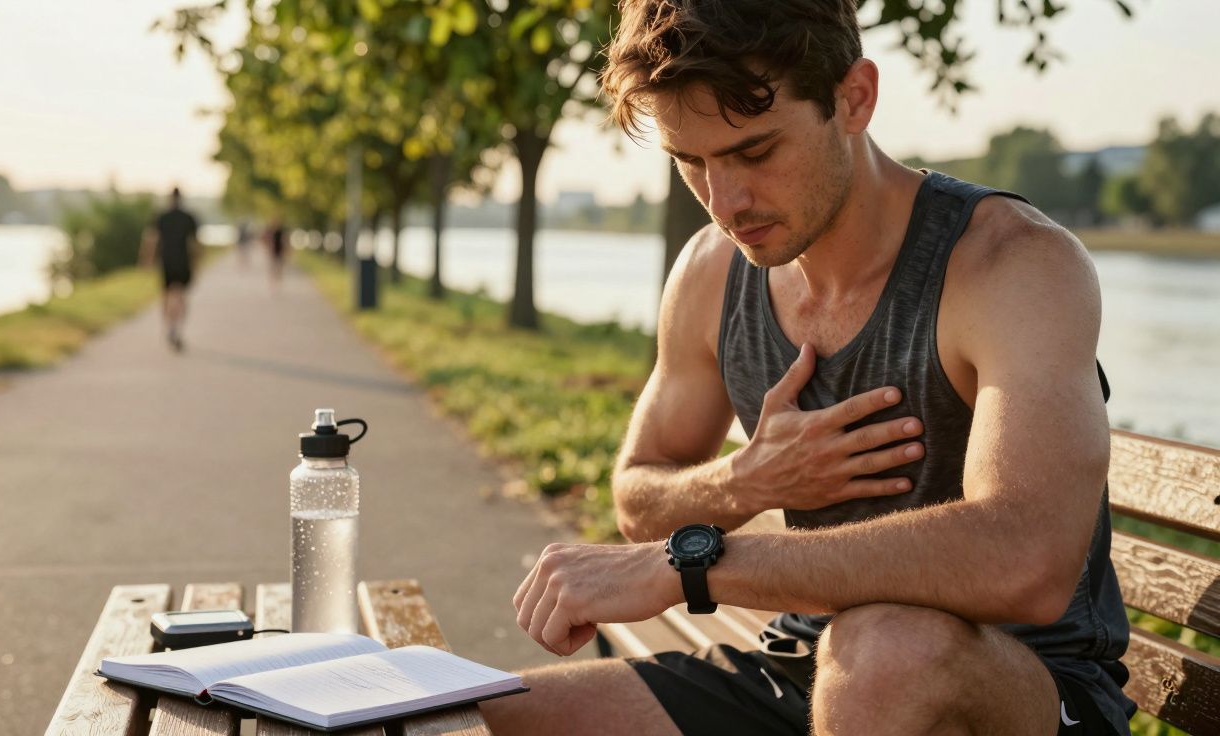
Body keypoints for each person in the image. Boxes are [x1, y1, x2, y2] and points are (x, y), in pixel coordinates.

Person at [485, 2, 1134, 735]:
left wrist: (690, 565)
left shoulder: (1010, 264)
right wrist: (744, 481)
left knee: (884, 651)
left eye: (755, 153)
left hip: (1022, 693)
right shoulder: (710, 272)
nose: (724, 203)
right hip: (801, 671)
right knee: (469, 720)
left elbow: (1026, 559)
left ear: (854, 98)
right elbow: (639, 496)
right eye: (690, 161)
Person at [139, 187, 200, 351]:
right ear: (182, 198)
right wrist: (198, 263)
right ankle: (177, 328)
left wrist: (147, 261)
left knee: (166, 296)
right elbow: (196, 243)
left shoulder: (161, 217)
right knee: (180, 295)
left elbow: (150, 240)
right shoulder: (188, 217)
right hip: (183, 263)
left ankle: (169, 327)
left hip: (166, 262)